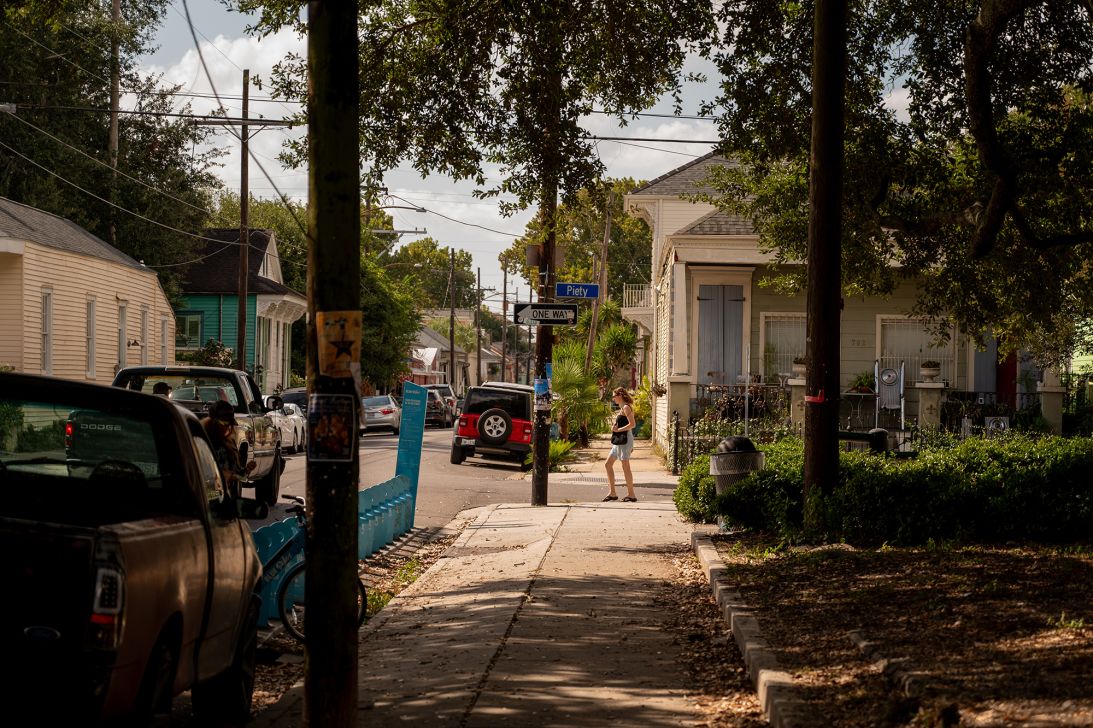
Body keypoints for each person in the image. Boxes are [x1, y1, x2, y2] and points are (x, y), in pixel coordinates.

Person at [201, 400, 255, 495]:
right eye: (224, 424)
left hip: (225, 496)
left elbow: (239, 475)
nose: (227, 427)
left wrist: (246, 470)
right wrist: (221, 476)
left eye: (229, 424)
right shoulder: (203, 444)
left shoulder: (230, 443)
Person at [603, 386, 637, 502]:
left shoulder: (626, 407)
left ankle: (631, 494)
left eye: (614, 396)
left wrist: (618, 430)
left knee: (625, 466)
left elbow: (633, 424)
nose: (613, 399)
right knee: (608, 464)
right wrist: (615, 428)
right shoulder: (622, 408)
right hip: (618, 441)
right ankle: (612, 493)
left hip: (625, 440)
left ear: (620, 396)